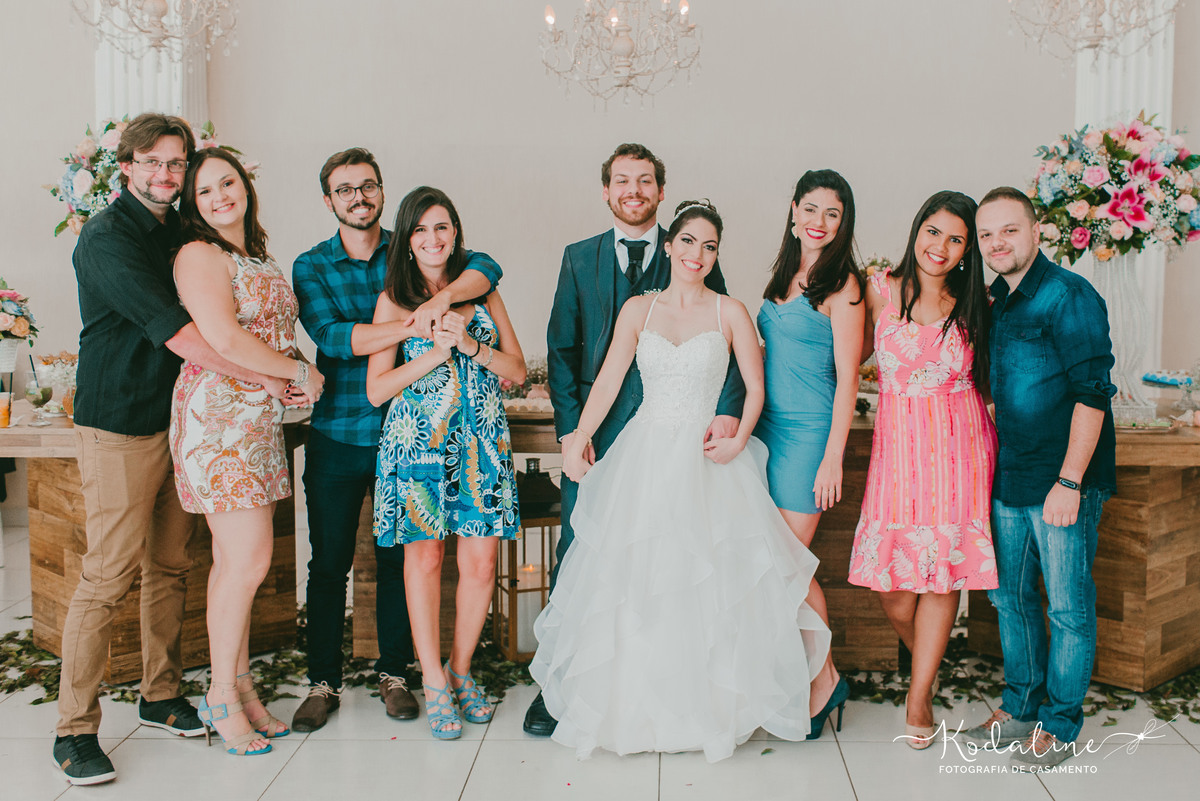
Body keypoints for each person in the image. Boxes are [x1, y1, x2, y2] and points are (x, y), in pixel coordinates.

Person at [530, 200, 831, 762]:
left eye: (709, 246)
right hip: (645, 453)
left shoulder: (731, 311)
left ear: (716, 254)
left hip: (707, 457)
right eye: (688, 241)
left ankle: (711, 708)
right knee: (640, 576)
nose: (697, 254)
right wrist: (576, 439)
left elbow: (755, 387)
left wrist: (738, 438)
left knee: (709, 579)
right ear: (669, 246)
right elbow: (610, 380)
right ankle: (636, 705)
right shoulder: (638, 311)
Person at [56, 113, 291, 785]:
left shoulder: (180, 234)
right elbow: (185, 337)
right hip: (120, 420)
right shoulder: (107, 238)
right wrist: (280, 375)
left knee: (171, 566)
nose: (166, 174)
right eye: (152, 162)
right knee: (108, 573)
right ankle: (73, 727)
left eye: (175, 163)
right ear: (125, 166)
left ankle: (160, 694)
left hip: (180, 421)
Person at [530, 143, 745, 736]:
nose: (633, 190)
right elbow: (563, 353)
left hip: (681, 439)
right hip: (601, 439)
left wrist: (726, 416)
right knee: (583, 551)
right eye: (622, 180)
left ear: (660, 191)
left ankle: (673, 682)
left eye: (645, 180)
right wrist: (575, 434)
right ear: (605, 190)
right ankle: (563, 687)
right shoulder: (579, 259)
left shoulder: (691, 250)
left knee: (681, 561)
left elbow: (727, 347)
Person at [291, 148, 502, 731]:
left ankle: (395, 673)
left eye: (367, 186)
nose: (358, 197)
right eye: (344, 189)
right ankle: (323, 681)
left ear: (382, 192)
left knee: (398, 562)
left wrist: (438, 299)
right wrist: (420, 323)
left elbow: (485, 264)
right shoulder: (312, 265)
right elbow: (334, 339)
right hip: (339, 430)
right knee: (330, 563)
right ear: (329, 199)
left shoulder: (411, 244)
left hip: (416, 440)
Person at [170, 147, 324, 756]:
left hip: (257, 422)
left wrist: (292, 372)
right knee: (247, 563)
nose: (219, 197)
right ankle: (221, 696)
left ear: (245, 187)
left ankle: (239, 684)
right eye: (205, 191)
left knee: (239, 564)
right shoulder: (197, 254)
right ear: (194, 205)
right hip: (220, 423)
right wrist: (296, 369)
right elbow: (225, 336)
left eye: (227, 183)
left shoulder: (252, 254)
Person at [962, 187, 1116, 767]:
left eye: (1009, 230)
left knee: (1067, 608)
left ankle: (1060, 722)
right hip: (1010, 477)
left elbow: (1092, 392)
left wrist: (1071, 481)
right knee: (1010, 600)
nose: (997, 242)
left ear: (1036, 232)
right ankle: (1020, 706)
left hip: (1062, 485)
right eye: (986, 234)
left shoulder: (1068, 296)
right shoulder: (996, 301)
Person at [366, 186, 525, 740]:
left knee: (480, 565)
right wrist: (433, 353)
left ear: (456, 232)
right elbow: (376, 390)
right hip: (417, 448)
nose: (433, 239)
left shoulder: (483, 293)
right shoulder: (393, 300)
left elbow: (518, 369)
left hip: (481, 444)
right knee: (426, 561)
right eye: (421, 230)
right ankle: (432, 678)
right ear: (407, 241)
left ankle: (461, 670)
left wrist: (470, 347)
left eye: (443, 227)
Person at [847, 191, 998, 749]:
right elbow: (849, 360)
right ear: (917, 230)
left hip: (961, 452)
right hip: (898, 453)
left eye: (956, 239)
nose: (942, 246)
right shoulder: (878, 288)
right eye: (934, 231)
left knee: (941, 578)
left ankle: (919, 697)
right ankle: (927, 668)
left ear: (967, 250)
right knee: (894, 588)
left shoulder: (974, 301)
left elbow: (990, 382)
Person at [754, 169, 863, 731]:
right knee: (772, 563)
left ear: (843, 224)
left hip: (809, 437)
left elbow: (849, 381)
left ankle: (826, 682)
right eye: (812, 209)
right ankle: (812, 676)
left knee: (787, 567)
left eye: (833, 214)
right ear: (794, 210)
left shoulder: (844, 286)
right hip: (765, 433)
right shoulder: (783, 274)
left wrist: (831, 458)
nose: (819, 222)